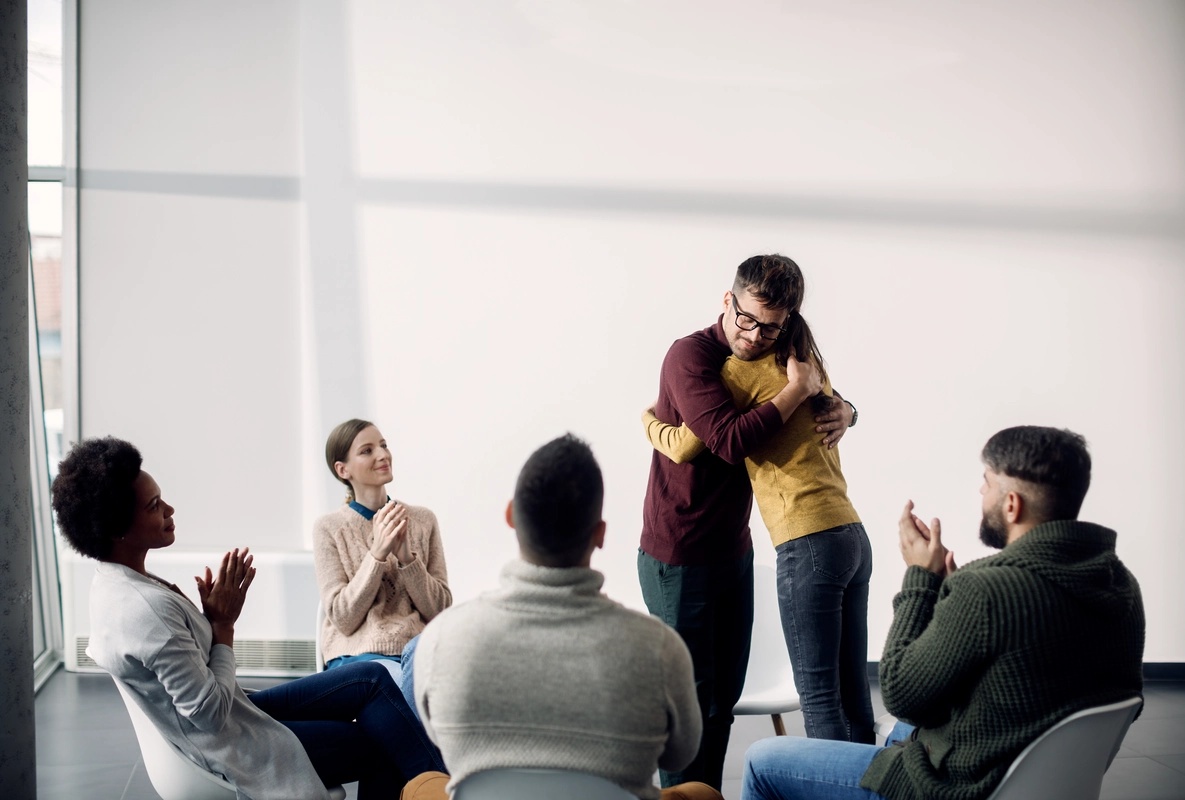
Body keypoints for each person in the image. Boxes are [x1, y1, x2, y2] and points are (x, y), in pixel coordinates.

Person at [741, 426, 1146, 800]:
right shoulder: (1120, 583)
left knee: (762, 760)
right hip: (1036, 774)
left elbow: (903, 695)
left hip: (961, 786)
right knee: (898, 732)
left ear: (1011, 504)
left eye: (985, 483)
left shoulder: (989, 589)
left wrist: (921, 579)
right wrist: (953, 600)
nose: (979, 492)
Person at [52, 436, 445, 800]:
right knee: (380, 742)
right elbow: (208, 713)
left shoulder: (119, 581)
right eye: (154, 506)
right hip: (228, 741)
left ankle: (433, 783)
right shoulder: (144, 608)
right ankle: (437, 785)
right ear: (117, 528)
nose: (169, 510)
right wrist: (222, 627)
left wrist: (210, 622)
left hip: (234, 710)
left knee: (370, 679)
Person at [405, 434, 721, 800]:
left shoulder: (442, 638)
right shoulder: (659, 648)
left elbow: (439, 738)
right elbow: (679, 755)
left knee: (421, 786)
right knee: (701, 793)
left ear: (511, 515)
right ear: (599, 535)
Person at [639, 254, 856, 786]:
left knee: (722, 699)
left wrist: (847, 409)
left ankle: (705, 795)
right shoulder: (689, 356)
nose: (756, 336)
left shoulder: (784, 353)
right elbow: (728, 441)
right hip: (679, 552)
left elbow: (815, 396)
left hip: (734, 548)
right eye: (747, 319)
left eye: (771, 327)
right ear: (727, 301)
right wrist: (795, 392)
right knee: (689, 701)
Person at [314, 419, 452, 675]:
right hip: (356, 660)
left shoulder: (423, 520)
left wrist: (407, 560)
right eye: (367, 451)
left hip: (417, 656)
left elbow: (440, 611)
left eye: (383, 445)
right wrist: (376, 554)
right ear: (343, 470)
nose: (382, 455)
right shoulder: (328, 528)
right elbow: (343, 618)